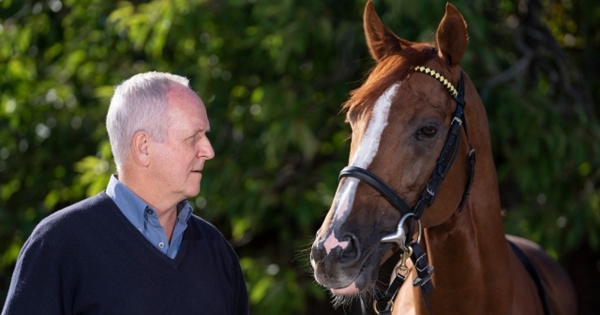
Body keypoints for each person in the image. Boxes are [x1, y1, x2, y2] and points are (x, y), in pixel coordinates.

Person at [2, 72, 249, 315]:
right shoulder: (58, 244)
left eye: (205, 136)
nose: (208, 150)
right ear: (143, 147)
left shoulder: (216, 250)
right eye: (192, 138)